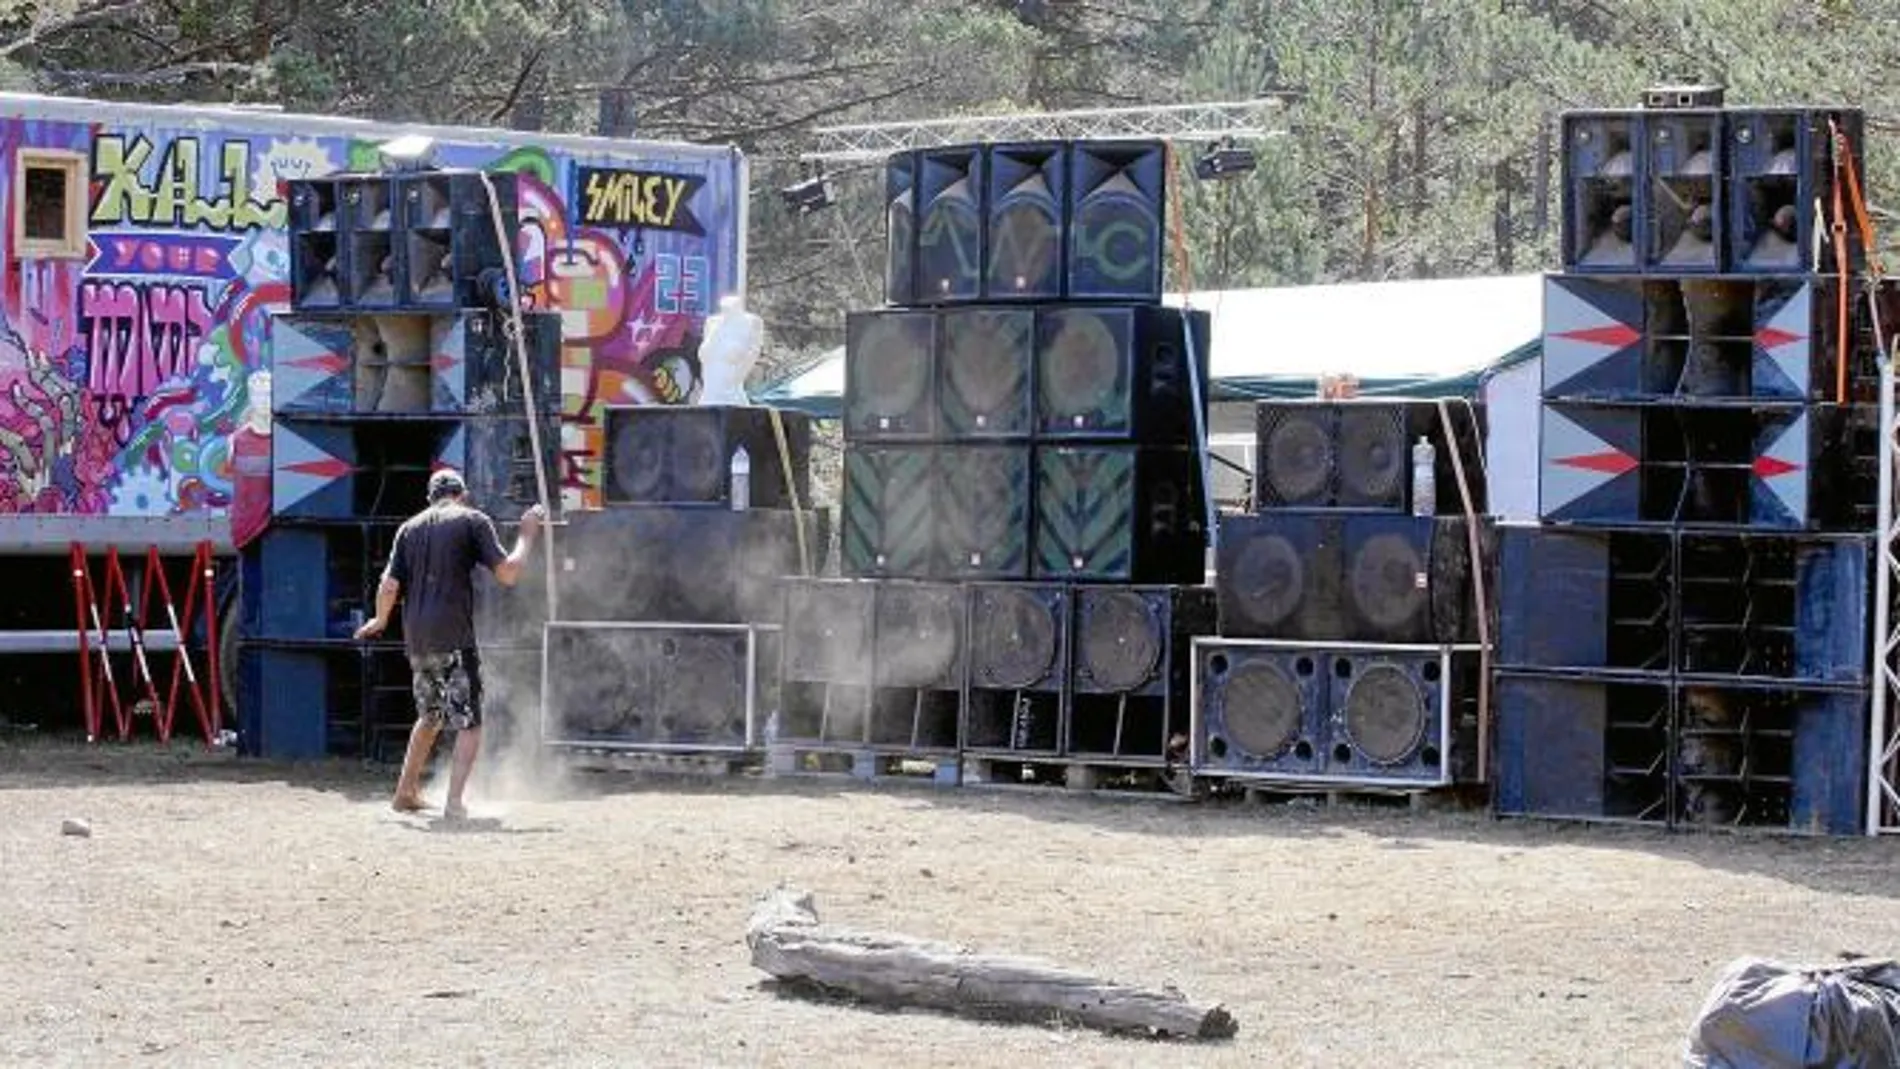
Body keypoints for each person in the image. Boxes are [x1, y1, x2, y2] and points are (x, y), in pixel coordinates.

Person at [354, 468, 545, 819]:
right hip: (455, 638)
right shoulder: (473, 520)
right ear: (462, 494)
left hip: (418, 641)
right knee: (470, 722)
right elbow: (508, 573)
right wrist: (527, 535)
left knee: (429, 717)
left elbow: (389, 586)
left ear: (431, 497)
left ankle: (405, 793)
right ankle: (454, 802)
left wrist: (379, 620)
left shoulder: (408, 529)